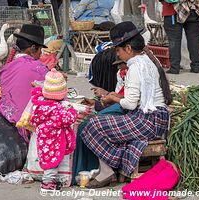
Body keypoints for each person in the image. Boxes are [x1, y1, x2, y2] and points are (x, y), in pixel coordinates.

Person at [78, 21, 172, 188]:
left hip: (148, 121)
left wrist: (112, 98)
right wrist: (114, 96)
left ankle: (110, 167)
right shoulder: (148, 61)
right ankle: (107, 168)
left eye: (119, 50)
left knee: (91, 125)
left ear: (128, 48)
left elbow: (129, 104)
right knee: (103, 122)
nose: (118, 54)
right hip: (157, 118)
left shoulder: (136, 67)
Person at [0, 24, 49, 143]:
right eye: (40, 50)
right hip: (24, 125)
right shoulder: (39, 68)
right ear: (33, 48)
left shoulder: (7, 67)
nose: (41, 54)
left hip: (5, 118)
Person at [30, 68, 77, 192]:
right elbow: (69, 119)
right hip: (54, 139)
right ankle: (47, 184)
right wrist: (72, 109)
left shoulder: (39, 105)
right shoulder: (57, 109)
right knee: (53, 162)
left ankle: (48, 181)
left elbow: (33, 119)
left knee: (47, 159)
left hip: (43, 139)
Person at [161, 0, 199, 74]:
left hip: (173, 11)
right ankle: (196, 67)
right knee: (194, 38)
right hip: (194, 9)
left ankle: (174, 68)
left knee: (174, 40)